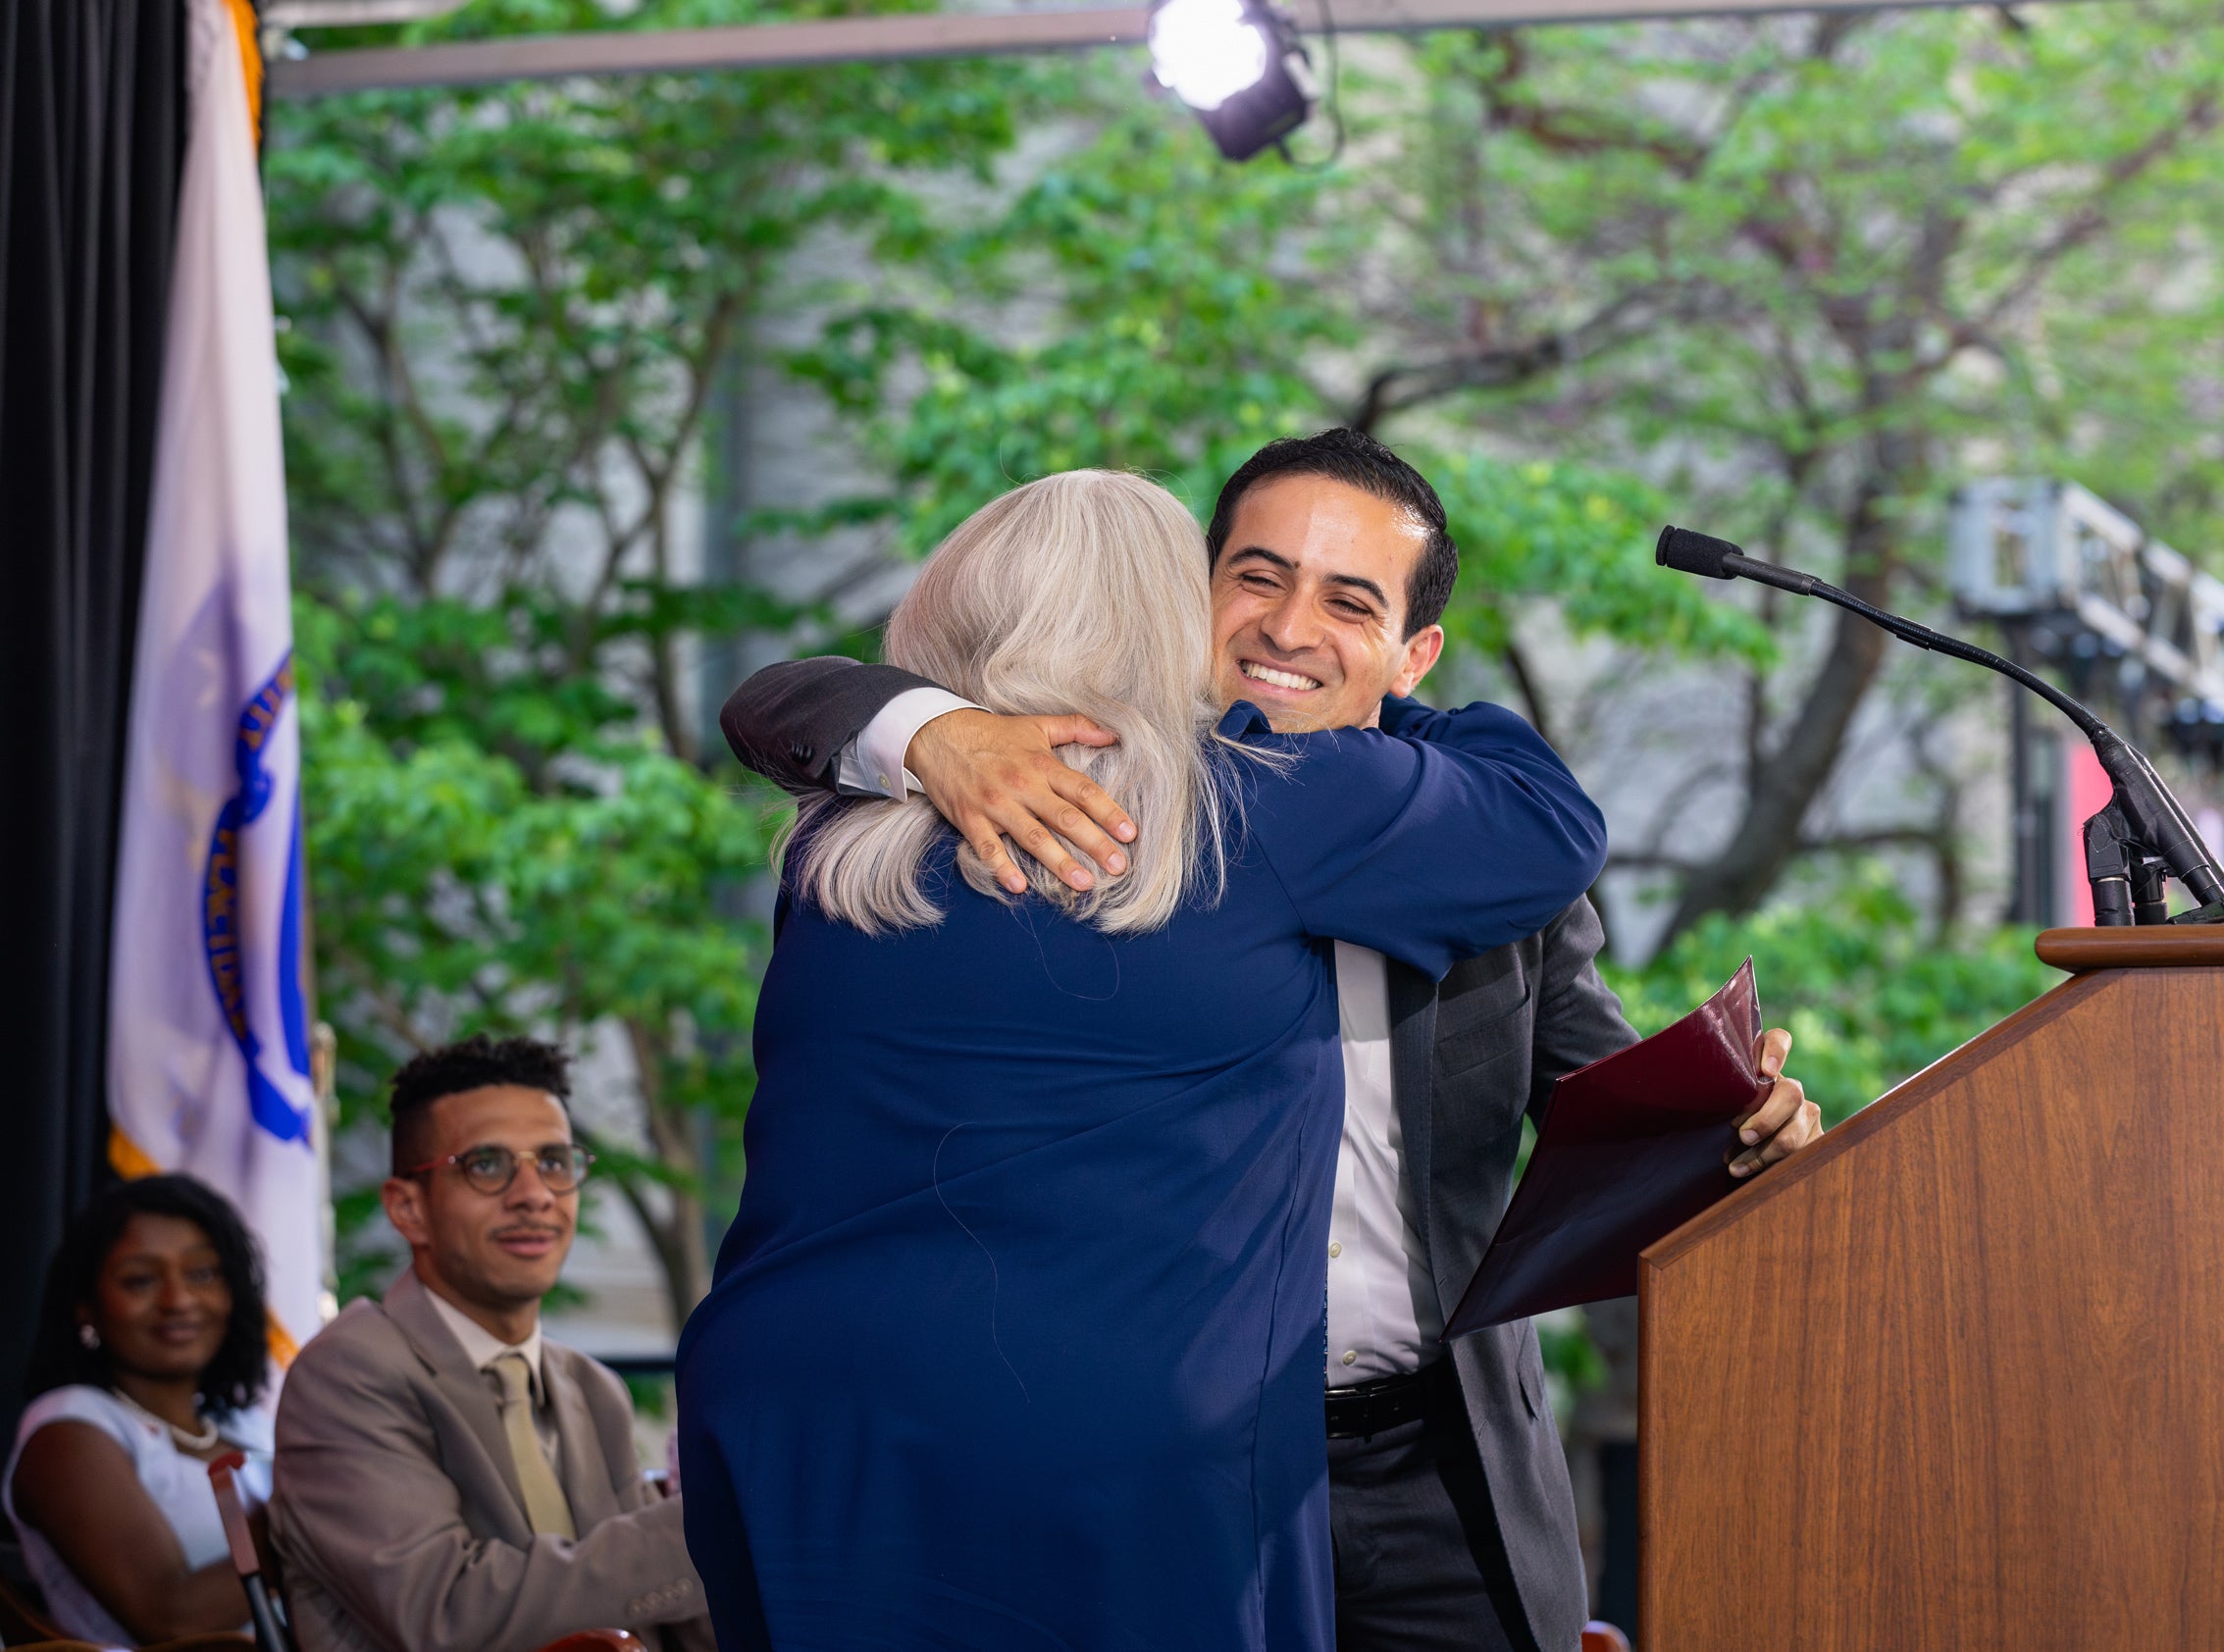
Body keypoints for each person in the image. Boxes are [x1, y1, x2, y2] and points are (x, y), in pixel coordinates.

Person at [718, 429, 1822, 1652]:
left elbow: (1601, 1110)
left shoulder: (1466, 863)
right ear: (1185, 595)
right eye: (1255, 576)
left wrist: (1738, 1126)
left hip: (1419, 1458)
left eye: (1349, 601)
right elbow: (779, 699)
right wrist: (928, 727)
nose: (1290, 627)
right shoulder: (1166, 808)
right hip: (1175, 1452)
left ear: (1415, 655)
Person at [270, 1035, 714, 1652]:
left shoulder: (591, 1386)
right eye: (486, 1165)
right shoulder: (347, 1375)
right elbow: (445, 1614)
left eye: (555, 1162)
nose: (535, 1195)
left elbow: (674, 1607)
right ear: (408, 1209)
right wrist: (705, 1527)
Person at [7, 1174, 275, 1646]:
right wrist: (318, 1508)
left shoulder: (247, 1425)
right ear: (86, 1305)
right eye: (141, 1280)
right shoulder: (69, 1427)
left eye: (202, 1274)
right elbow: (171, 1620)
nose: (178, 1301)